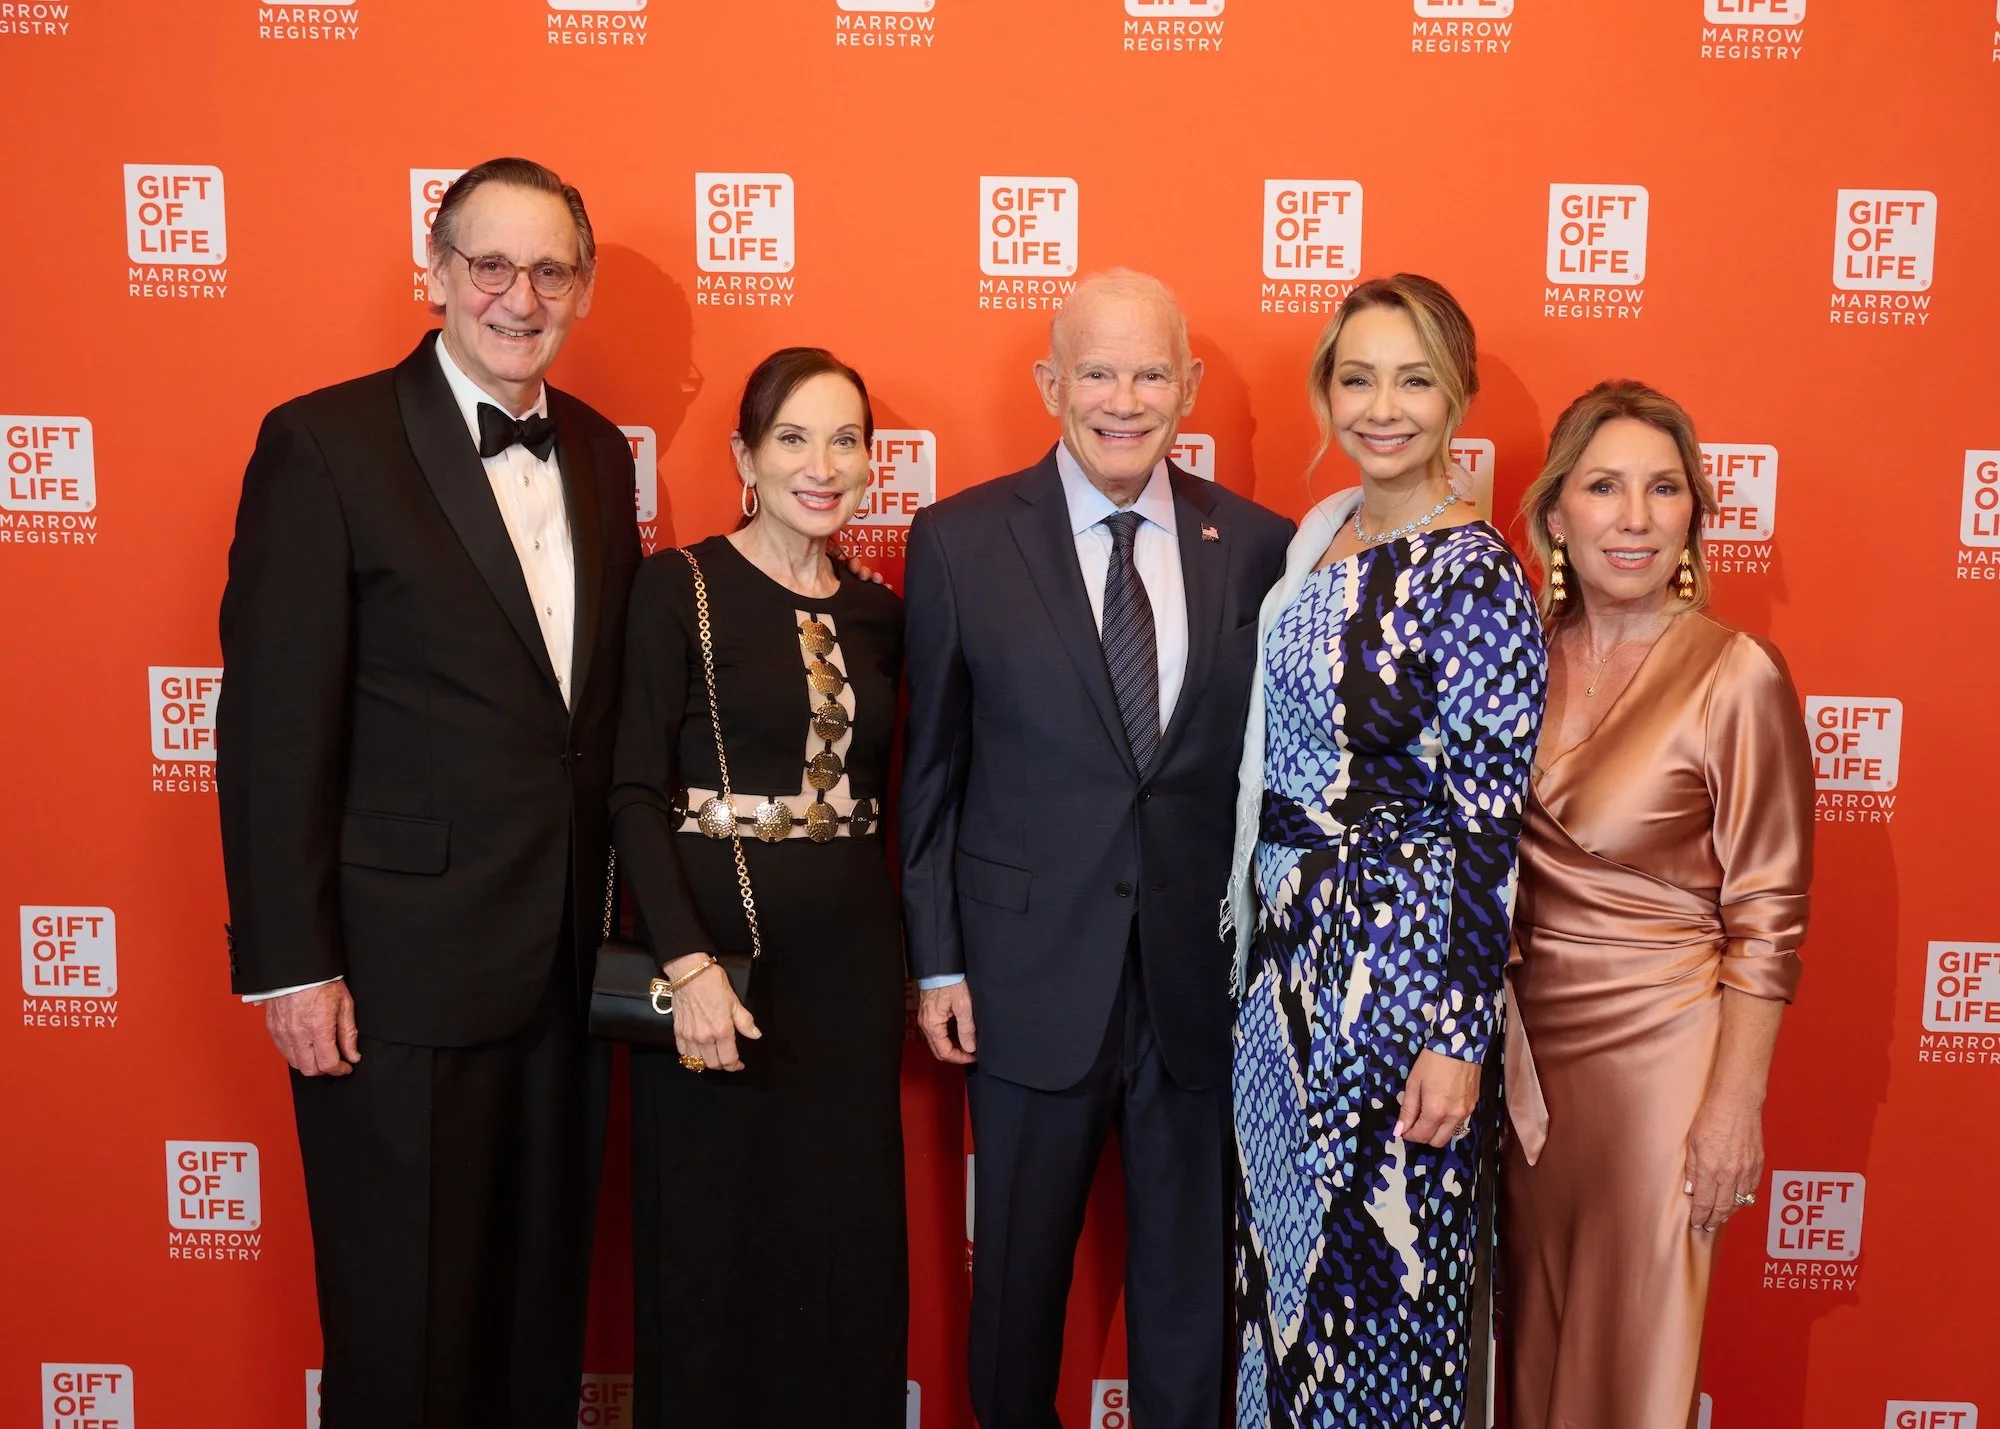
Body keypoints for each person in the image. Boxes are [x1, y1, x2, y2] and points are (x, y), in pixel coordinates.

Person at [215, 158, 639, 1428]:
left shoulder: (605, 455)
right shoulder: (325, 442)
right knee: (402, 1327)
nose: (520, 296)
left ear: (583, 287)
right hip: (394, 978)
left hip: (565, 967)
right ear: (436, 272)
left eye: (549, 269)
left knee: (535, 1314)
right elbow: (273, 724)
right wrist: (292, 966)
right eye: (489, 265)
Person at [901, 269, 1293, 1427]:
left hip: (1197, 990)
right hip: (1023, 983)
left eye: (1150, 371)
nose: (1122, 400)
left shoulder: (1259, 548)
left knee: (1189, 1305)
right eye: (1095, 371)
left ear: (1189, 386)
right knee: (1016, 1295)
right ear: (1048, 383)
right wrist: (937, 961)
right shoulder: (961, 539)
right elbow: (931, 771)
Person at [1224, 273, 1546, 1426]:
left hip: (1395, 977)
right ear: (1324, 391)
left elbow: (1483, 833)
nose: (1381, 406)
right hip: (1285, 972)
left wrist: (1457, 1039)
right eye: (1355, 377)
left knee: (1379, 1306)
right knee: (1284, 1295)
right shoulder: (1323, 538)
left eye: (1413, 379)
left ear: (1455, 396)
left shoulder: (1476, 577)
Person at [1502, 380, 1814, 1429]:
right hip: (1520, 1066)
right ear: (1555, 513)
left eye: (1661, 488)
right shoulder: (1514, 662)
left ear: (1691, 514)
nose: (1631, 518)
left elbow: (1767, 916)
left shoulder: (1732, 674)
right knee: (1529, 1351)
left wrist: (1732, 1105)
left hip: (1660, 1067)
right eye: (1601, 486)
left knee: (1630, 1356)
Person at [609, 348, 908, 1427]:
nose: (819, 465)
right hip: (717, 974)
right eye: (791, 438)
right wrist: (682, 964)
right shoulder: (678, 586)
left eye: (843, 440)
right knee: (713, 1251)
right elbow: (634, 793)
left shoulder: (882, 614)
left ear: (871, 463)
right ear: (744, 455)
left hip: (851, 981)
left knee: (843, 1256)